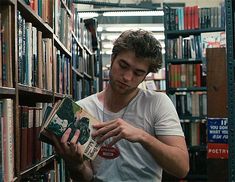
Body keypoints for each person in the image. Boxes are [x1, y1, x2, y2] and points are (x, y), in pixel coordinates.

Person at [50, 29, 189, 181]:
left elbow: (182, 168)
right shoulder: (82, 109)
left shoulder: (157, 103)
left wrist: (143, 136)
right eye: (123, 65)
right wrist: (76, 165)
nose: (127, 77)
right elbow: (87, 177)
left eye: (138, 73)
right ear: (113, 58)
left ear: (145, 76)